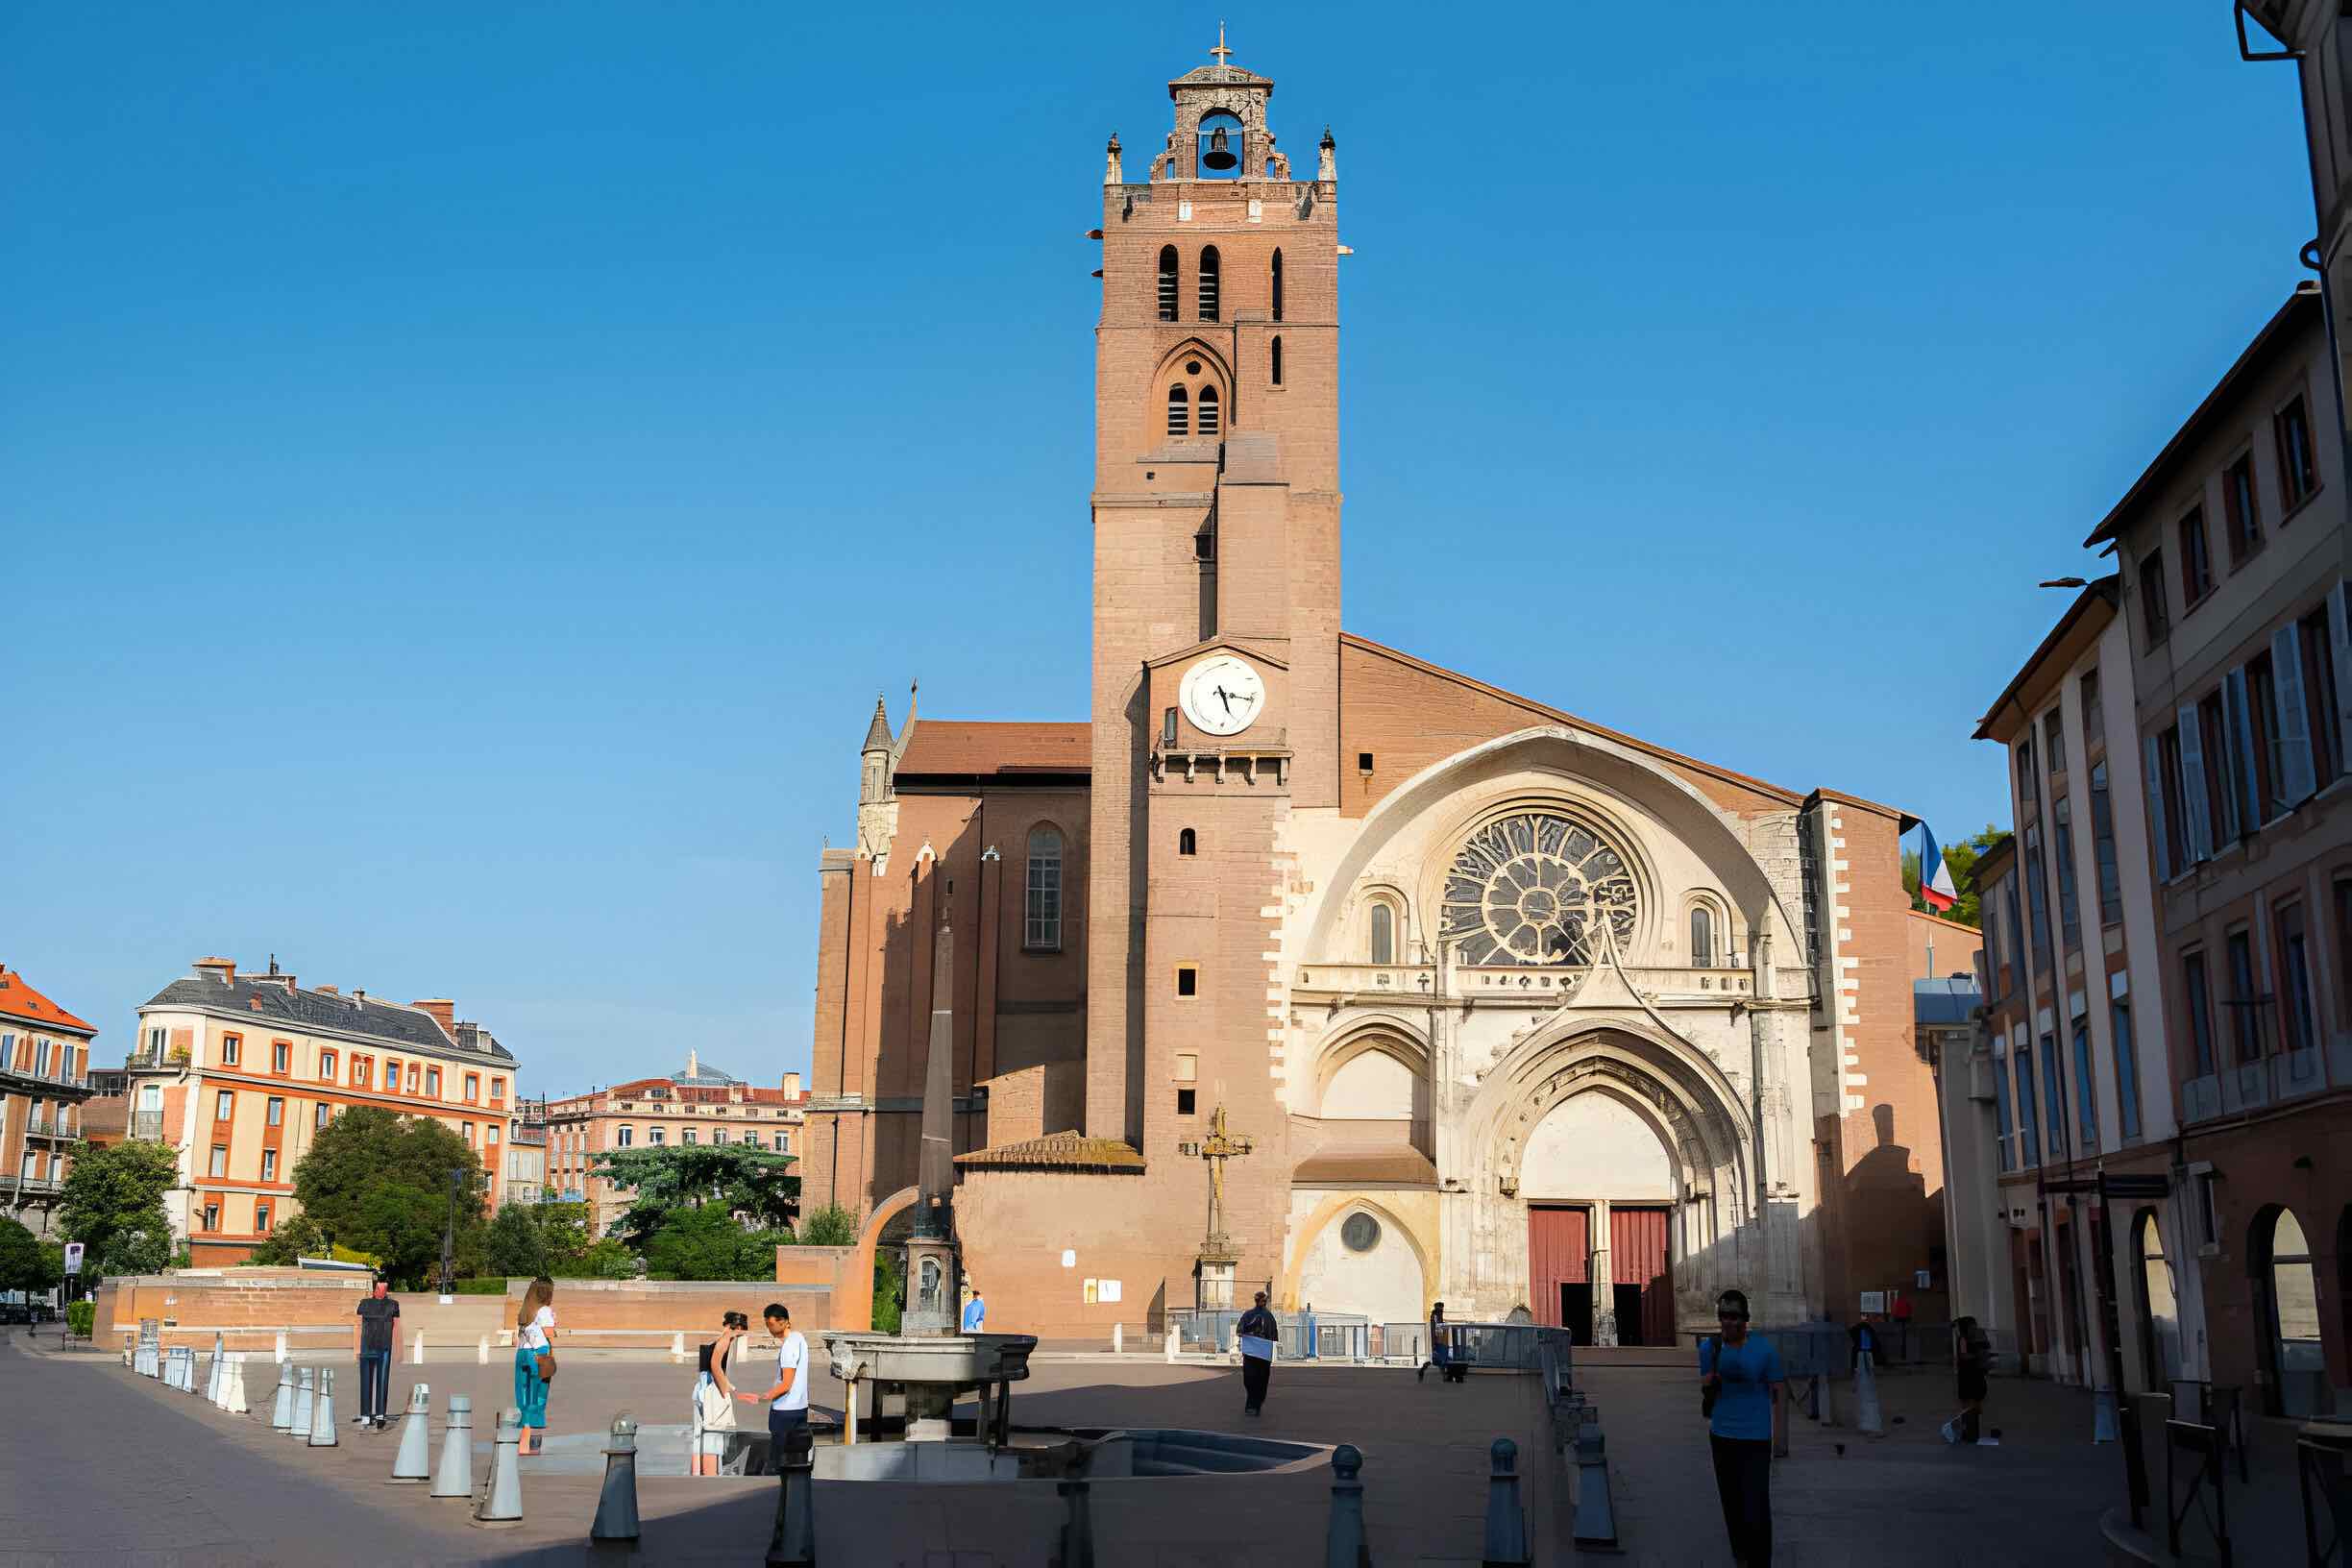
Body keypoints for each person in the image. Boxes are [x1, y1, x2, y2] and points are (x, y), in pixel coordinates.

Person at [1700, 1287, 1782, 1567]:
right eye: (1724, 1315)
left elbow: (1776, 1393)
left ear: (1745, 1318)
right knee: (1731, 1502)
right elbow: (1706, 1385)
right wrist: (1714, 1378)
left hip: (1756, 1437)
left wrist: (1779, 1443)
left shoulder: (1764, 1351)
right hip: (1721, 1435)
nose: (1729, 1321)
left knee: (1756, 1505)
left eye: (1735, 1316)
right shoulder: (1708, 1348)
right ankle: (1741, 1555)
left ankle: (1761, 1561)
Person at [739, 1302, 810, 1468]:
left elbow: (786, 1384)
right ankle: (794, 1490)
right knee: (797, 1458)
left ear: (784, 1321)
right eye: (767, 1324)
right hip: (801, 1408)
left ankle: (775, 1488)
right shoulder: (799, 1338)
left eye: (771, 1324)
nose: (769, 1328)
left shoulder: (788, 1346)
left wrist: (764, 1397)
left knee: (778, 1458)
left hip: (784, 1411)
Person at [693, 1311, 747, 1476]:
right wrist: (725, 1391)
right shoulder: (725, 1340)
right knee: (713, 1430)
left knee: (700, 1431)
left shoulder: (718, 1339)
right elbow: (715, 1365)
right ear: (737, 1327)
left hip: (704, 1386)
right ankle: (710, 1472)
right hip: (711, 1389)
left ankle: (699, 1471)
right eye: (741, 1331)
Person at [515, 1275, 557, 1457]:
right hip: (540, 1353)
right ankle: (531, 1445)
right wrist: (555, 1323)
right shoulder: (544, 1311)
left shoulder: (526, 1311)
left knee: (523, 1397)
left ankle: (522, 1442)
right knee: (538, 1398)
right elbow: (549, 1333)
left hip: (523, 1353)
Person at [353, 1277, 399, 1431]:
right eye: (380, 1288)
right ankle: (366, 1414)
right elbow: (358, 1325)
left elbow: (397, 1326)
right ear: (374, 1289)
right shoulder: (364, 1303)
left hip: (384, 1346)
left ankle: (380, 1414)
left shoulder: (393, 1305)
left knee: (383, 1380)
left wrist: (398, 1347)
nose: (383, 1290)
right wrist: (356, 1349)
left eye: (385, 1288)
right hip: (367, 1346)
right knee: (366, 1381)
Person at [1948, 1315, 1991, 1445]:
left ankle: (1969, 1432)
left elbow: (1964, 1355)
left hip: (1968, 1373)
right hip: (1976, 1372)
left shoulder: (1964, 1338)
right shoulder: (1978, 1336)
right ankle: (1972, 1431)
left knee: (1968, 1402)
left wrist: (1973, 1356)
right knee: (1975, 1401)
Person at [1237, 1290, 1279, 1418]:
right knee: (1259, 1380)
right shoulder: (1269, 1316)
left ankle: (1253, 1405)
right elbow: (1274, 1335)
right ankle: (1255, 1404)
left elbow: (1239, 1330)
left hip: (1252, 1353)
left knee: (1252, 1379)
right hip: (1261, 1353)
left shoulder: (1249, 1315)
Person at [1891, 1287, 1915, 1363]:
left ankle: (1901, 1355)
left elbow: (1894, 1312)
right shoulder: (1906, 1302)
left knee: (1899, 1339)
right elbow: (1910, 1311)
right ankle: (1905, 1355)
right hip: (1906, 1320)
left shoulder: (1897, 1302)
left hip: (1898, 1321)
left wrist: (1894, 1319)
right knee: (1905, 1338)